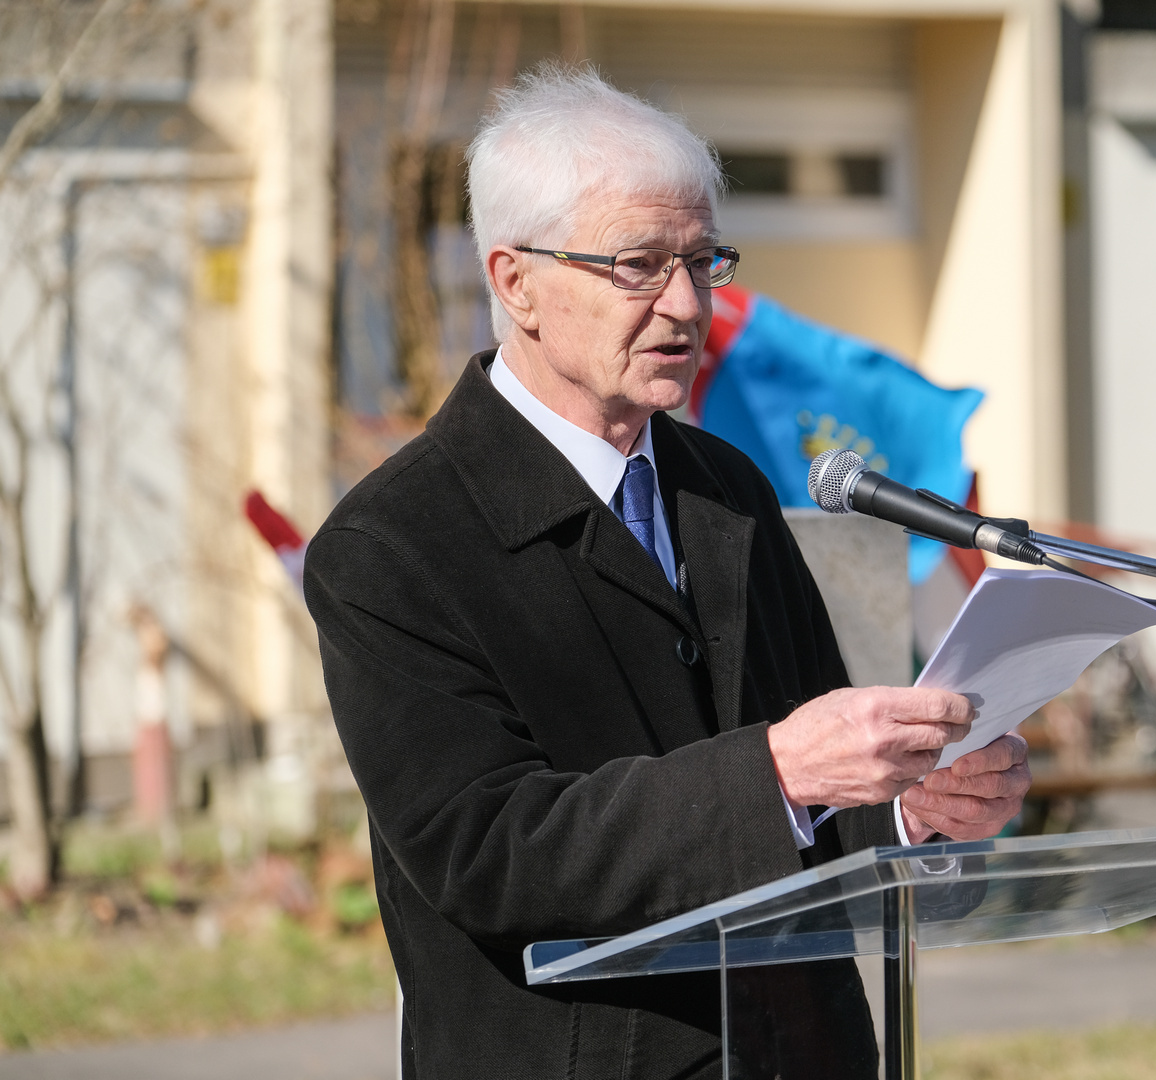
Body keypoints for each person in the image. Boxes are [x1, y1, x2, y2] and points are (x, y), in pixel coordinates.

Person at [304, 65, 1031, 1080]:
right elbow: (488, 852)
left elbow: (812, 790)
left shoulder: (726, 487)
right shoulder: (390, 545)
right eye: (639, 265)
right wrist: (779, 772)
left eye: (702, 261)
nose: (688, 305)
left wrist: (915, 808)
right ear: (515, 283)